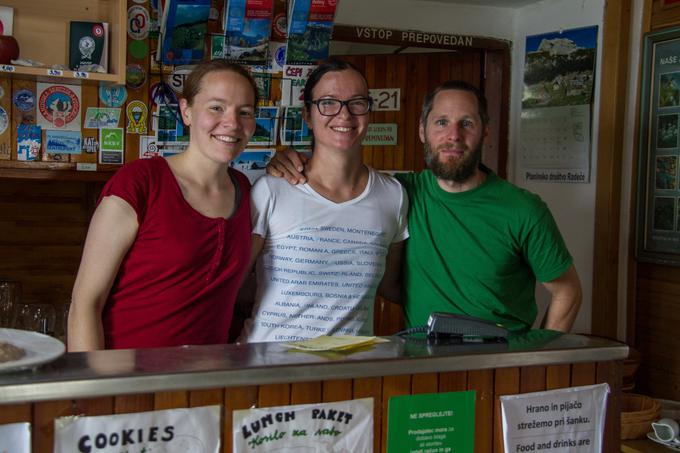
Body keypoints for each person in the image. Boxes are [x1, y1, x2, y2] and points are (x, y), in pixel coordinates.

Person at [267, 80, 582, 333]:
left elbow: (567, 291)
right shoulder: (398, 194)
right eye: (441, 122)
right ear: (422, 131)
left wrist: (541, 360)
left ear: (485, 131)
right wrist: (285, 160)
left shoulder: (523, 209)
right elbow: (342, 184)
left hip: (499, 365)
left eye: (467, 124)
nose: (453, 136)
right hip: (422, 364)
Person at [68, 60, 259, 350]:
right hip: (126, 381)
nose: (232, 122)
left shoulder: (245, 190)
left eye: (244, 112)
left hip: (205, 381)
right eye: (216, 107)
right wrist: (94, 391)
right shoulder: (140, 182)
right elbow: (85, 303)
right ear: (187, 111)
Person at [240, 59, 409, 342]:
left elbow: (392, 286)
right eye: (328, 103)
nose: (344, 115)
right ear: (307, 114)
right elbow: (233, 285)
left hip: (348, 374)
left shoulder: (393, 195)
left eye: (357, 102)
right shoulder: (272, 189)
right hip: (269, 371)